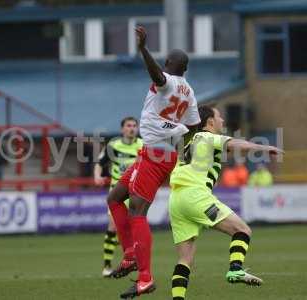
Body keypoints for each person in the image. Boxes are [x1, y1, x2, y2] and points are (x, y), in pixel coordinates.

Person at [107, 26, 200, 298]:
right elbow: (193, 126)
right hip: (161, 152)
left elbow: (157, 75)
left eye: (165, 61)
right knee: (115, 197)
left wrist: (143, 49)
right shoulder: (190, 92)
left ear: (171, 65)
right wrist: (183, 145)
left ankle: (144, 277)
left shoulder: (167, 81)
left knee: (137, 210)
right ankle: (129, 255)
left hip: (156, 154)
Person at [168, 106, 284, 300]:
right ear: (210, 122)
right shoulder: (207, 136)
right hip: (195, 195)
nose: (222, 121)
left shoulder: (190, 143)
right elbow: (236, 143)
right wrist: (264, 147)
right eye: (219, 117)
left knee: (185, 259)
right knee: (242, 230)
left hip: (176, 200)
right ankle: (235, 269)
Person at [94, 117, 143, 277]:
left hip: (136, 192)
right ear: (122, 129)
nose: (132, 128)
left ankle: (134, 262)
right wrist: (97, 176)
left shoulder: (142, 145)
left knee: (132, 229)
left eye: (134, 126)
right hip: (117, 192)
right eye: (128, 126)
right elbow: (99, 163)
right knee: (113, 227)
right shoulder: (114, 146)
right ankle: (107, 265)